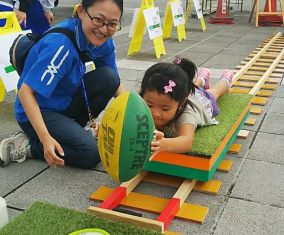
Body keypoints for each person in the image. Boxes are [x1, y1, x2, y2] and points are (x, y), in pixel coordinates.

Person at [0, 0, 125, 168]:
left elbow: (116, 86)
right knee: (90, 154)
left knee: (109, 78)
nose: (103, 29)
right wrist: (45, 139)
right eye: (98, 20)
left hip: (64, 102)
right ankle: (30, 145)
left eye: (112, 24)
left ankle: (72, 130)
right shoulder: (60, 45)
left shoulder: (103, 41)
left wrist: (141, 120)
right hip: (38, 111)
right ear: (81, 11)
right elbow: (25, 93)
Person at [139, 57, 233, 154]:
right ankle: (201, 78)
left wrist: (164, 144)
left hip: (201, 102)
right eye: (149, 105)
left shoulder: (186, 113)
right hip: (185, 93)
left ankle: (225, 80)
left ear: (181, 104)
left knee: (214, 93)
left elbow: (186, 142)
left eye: (165, 109)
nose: (155, 113)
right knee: (191, 86)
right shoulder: (146, 100)